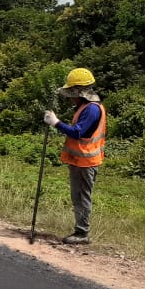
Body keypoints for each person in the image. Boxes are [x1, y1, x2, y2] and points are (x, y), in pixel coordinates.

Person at [44, 68, 107, 245]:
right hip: (81, 160)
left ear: (80, 92)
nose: (70, 98)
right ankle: (80, 231)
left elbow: (78, 133)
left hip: (86, 161)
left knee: (81, 197)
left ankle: (82, 233)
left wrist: (56, 123)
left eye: (72, 93)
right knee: (77, 196)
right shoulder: (85, 107)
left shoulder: (92, 109)